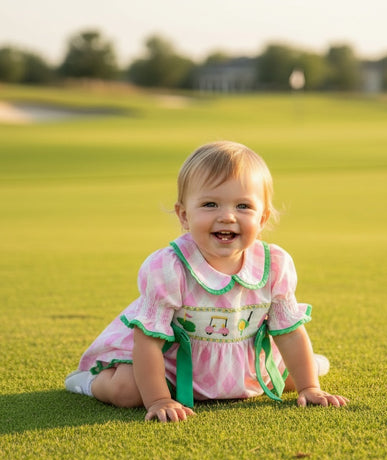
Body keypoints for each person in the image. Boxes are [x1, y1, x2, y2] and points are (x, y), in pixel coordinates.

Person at [65, 141, 348, 422]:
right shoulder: (169, 267)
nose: (227, 216)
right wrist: (160, 399)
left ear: (262, 219)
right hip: (173, 367)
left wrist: (309, 386)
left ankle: (309, 366)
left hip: (241, 362)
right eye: (210, 204)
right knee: (127, 392)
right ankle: (87, 381)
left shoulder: (273, 264)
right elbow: (148, 341)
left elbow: (288, 330)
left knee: (290, 378)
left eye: (243, 206)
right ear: (184, 215)